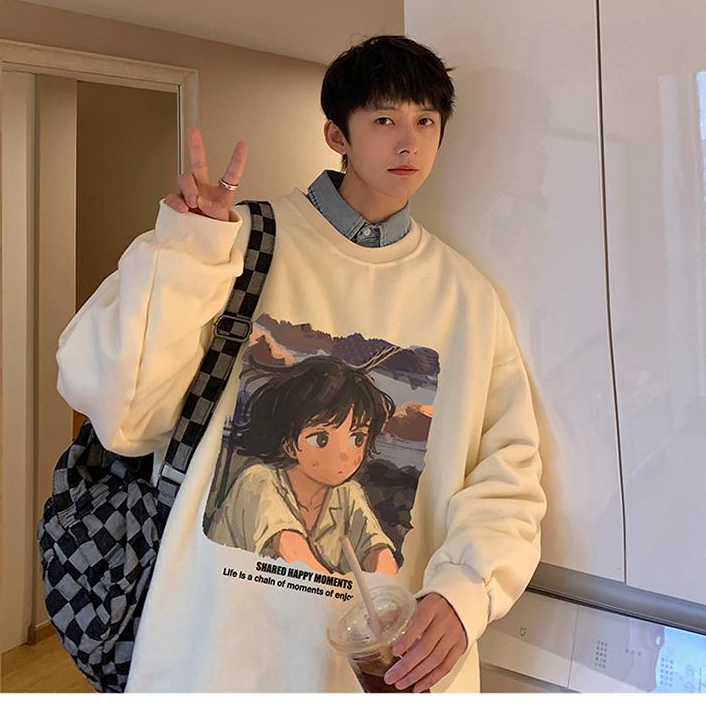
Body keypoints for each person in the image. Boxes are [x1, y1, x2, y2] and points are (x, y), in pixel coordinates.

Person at [55, 34, 547, 693]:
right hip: (217, 651)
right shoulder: (236, 241)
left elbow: (509, 470)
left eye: (426, 121)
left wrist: (466, 591)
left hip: (384, 662)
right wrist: (185, 250)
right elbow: (119, 411)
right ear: (336, 135)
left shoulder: (468, 298)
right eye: (384, 120)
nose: (409, 143)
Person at [206, 353, 399, 576]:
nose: (343, 454)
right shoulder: (258, 480)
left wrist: (384, 585)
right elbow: (293, 552)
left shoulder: (348, 493)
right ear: (289, 445)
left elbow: (378, 552)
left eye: (357, 438)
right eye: (321, 439)